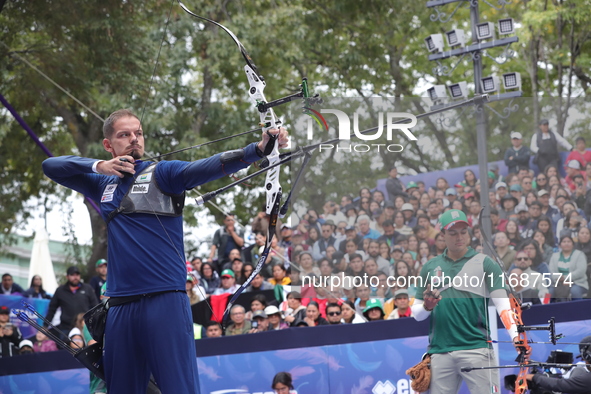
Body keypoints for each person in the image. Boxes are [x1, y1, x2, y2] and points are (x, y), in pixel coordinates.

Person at [41, 108, 288, 393]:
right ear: (109, 145)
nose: (134, 139)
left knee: (178, 387)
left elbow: (206, 166)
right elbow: (51, 165)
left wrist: (257, 149)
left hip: (165, 302)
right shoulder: (101, 184)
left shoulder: (164, 173)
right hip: (120, 307)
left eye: (139, 133)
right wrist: (99, 166)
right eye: (124, 135)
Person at [412, 209, 525, 394]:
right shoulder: (430, 267)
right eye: (453, 232)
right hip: (440, 351)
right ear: (442, 235)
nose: (459, 237)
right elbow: (416, 314)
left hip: (477, 348)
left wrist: (516, 336)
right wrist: (427, 306)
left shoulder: (485, 263)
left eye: (463, 232)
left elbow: (502, 304)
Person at [526, 335, 591, 393]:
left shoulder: (587, 379)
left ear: (588, 356)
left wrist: (534, 377)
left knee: (579, 370)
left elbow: (561, 385)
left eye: (583, 358)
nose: (583, 361)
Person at [45, 266, 98, 335]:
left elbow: (95, 307)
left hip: (84, 326)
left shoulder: (88, 288)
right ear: (67, 277)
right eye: (72, 275)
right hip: (65, 327)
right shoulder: (60, 290)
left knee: (85, 345)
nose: (75, 277)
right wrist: (45, 325)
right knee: (64, 345)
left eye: (77, 275)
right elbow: (52, 309)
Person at [549, 235, 588, 301]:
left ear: (573, 244)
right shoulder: (554, 256)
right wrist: (558, 278)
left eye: (568, 241)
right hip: (558, 283)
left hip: (576, 283)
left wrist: (565, 278)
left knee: (574, 291)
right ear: (560, 245)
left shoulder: (579, 254)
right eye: (564, 242)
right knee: (548, 293)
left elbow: (581, 271)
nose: (566, 243)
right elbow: (551, 271)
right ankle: (546, 310)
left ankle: (580, 310)